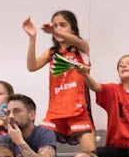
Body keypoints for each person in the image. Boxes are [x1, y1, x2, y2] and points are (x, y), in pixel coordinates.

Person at [23, 11, 96, 149]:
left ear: (73, 29)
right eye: (55, 26)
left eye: (63, 25)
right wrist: (32, 38)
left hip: (78, 111)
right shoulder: (52, 52)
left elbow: (79, 41)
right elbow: (31, 66)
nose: (58, 29)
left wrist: (55, 31)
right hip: (55, 112)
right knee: (40, 151)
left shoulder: (81, 48)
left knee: (90, 155)